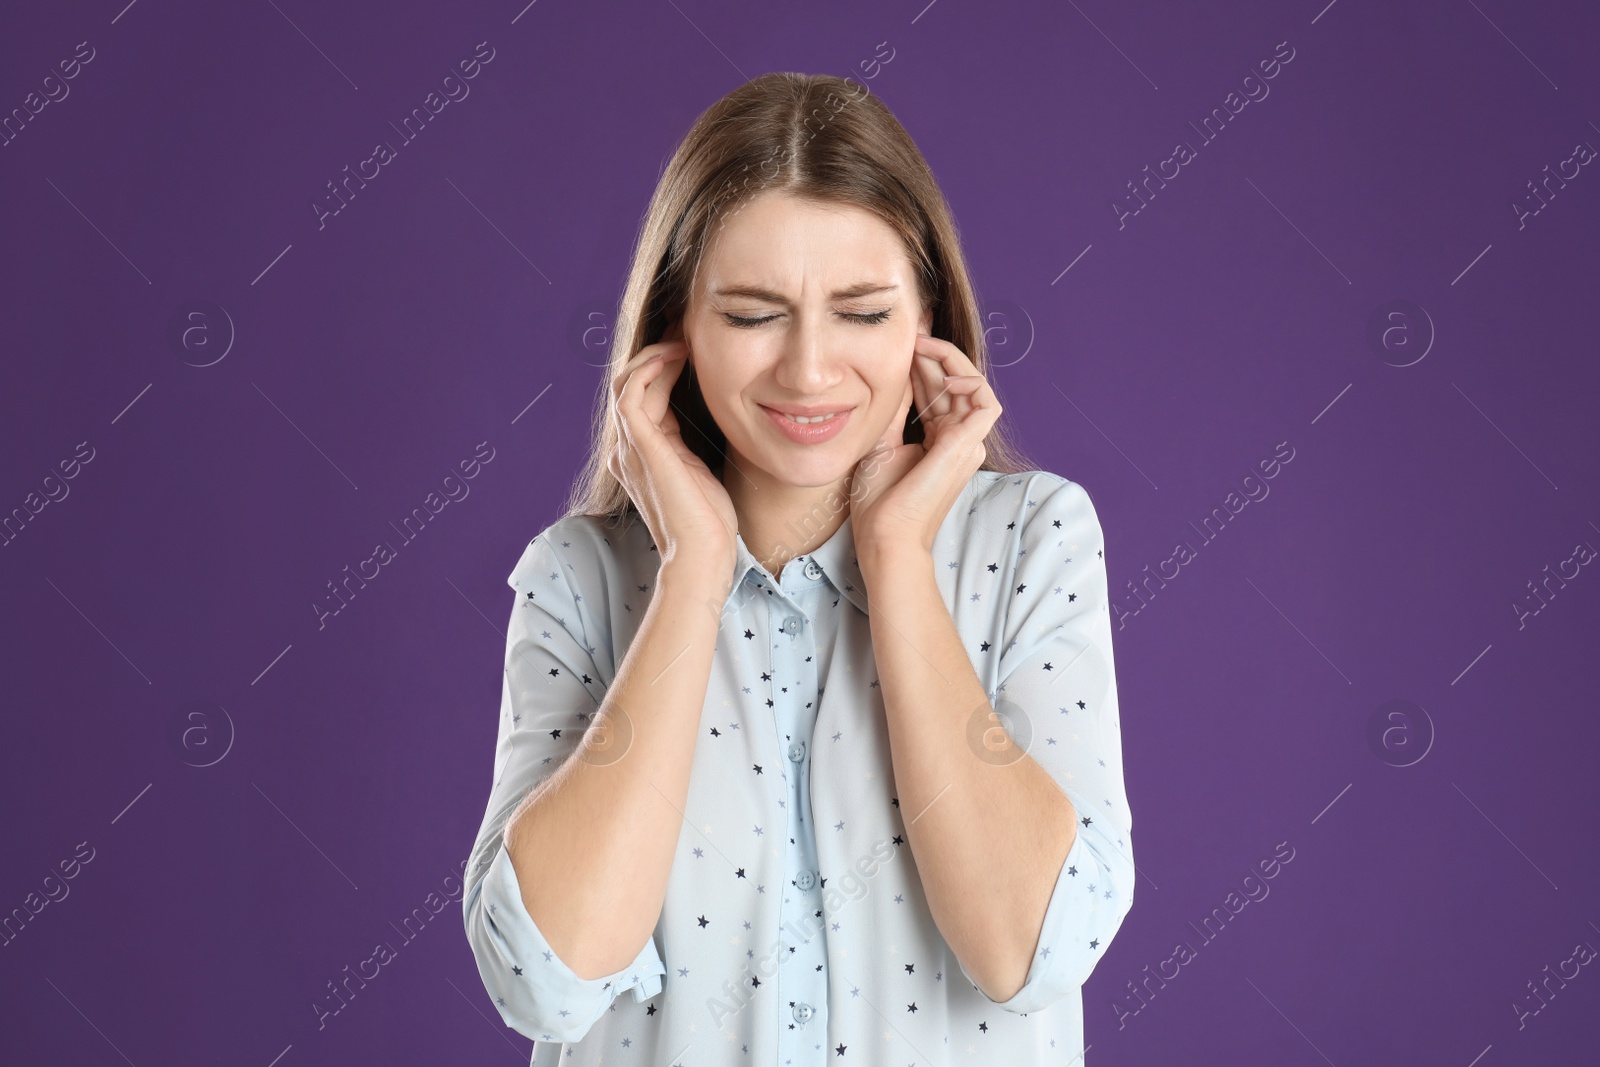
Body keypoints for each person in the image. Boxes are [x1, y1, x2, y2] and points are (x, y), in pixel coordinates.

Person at [462, 71, 1134, 1066]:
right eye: (750, 313)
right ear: (678, 327)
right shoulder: (580, 577)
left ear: (927, 322)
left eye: (862, 311)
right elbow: (545, 978)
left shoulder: (1034, 540)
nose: (808, 369)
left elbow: (1031, 947)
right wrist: (693, 568)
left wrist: (896, 555)